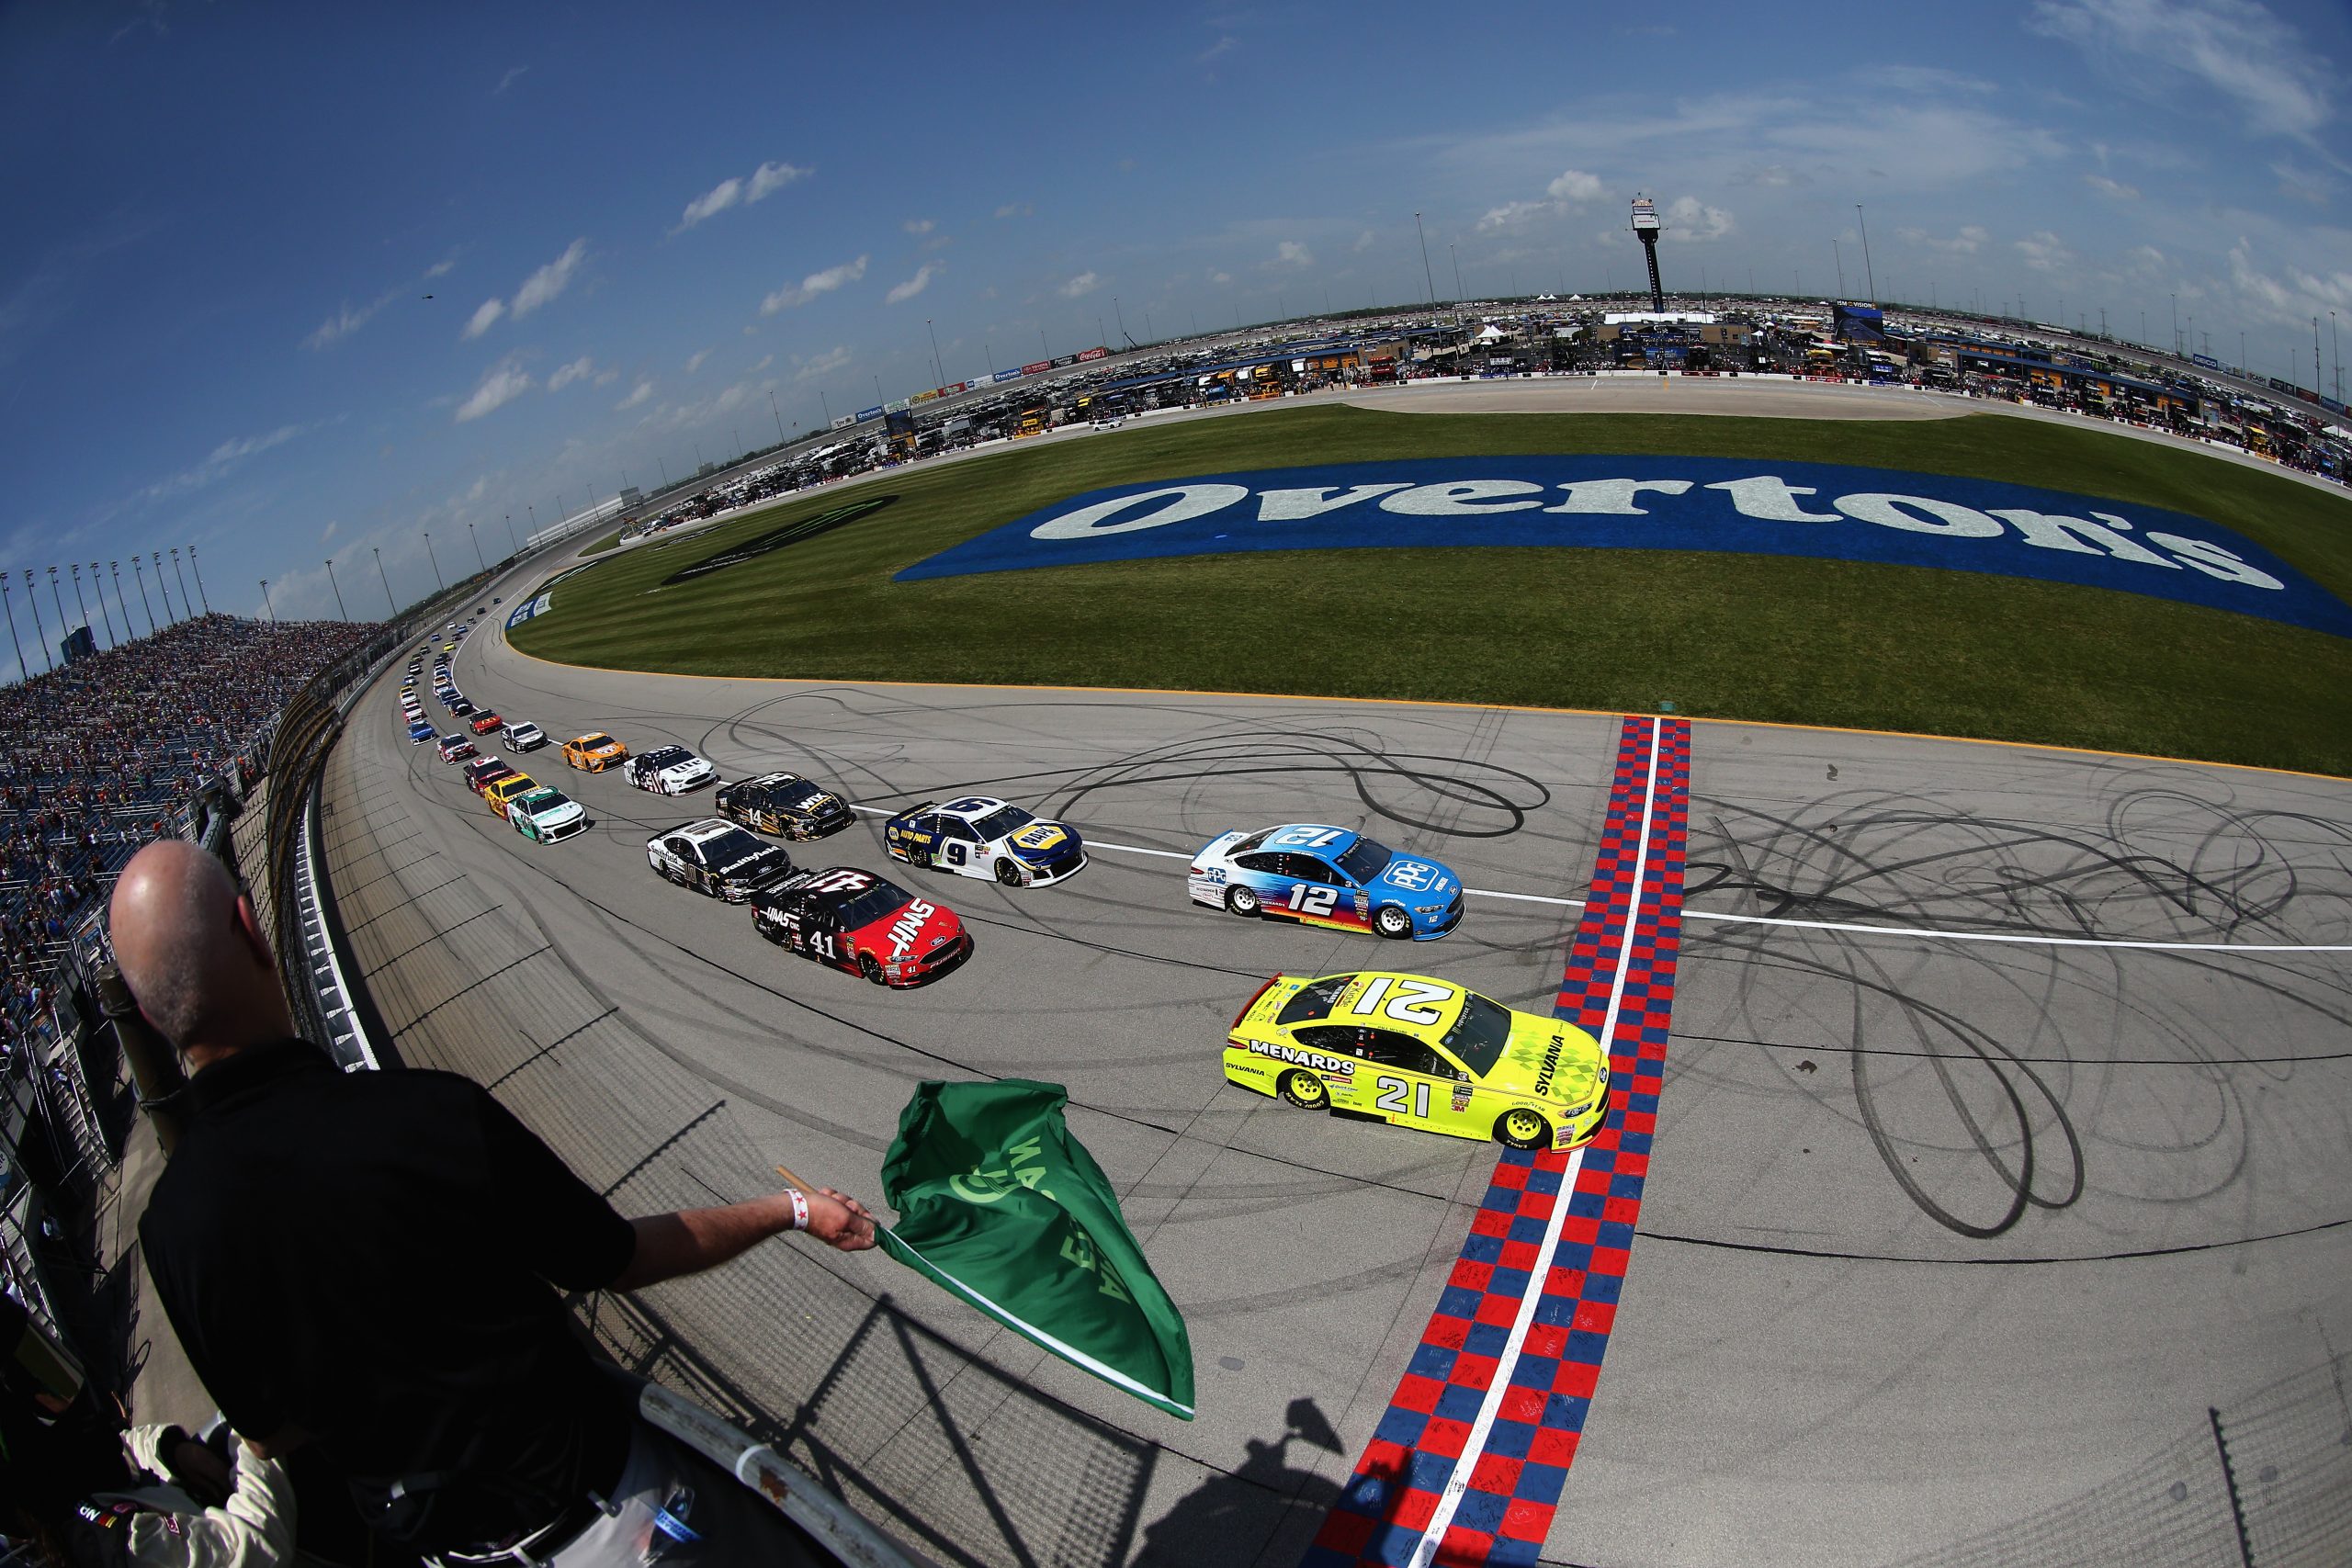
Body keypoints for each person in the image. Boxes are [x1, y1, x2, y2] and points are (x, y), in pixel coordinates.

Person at [113, 840, 874, 1563]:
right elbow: (619, 1257)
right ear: (252, 929)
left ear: (149, 1016)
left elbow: (268, 1433)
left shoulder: (170, 1229)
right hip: (608, 1517)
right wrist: (793, 1208)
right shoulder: (425, 1113)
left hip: (442, 1549)